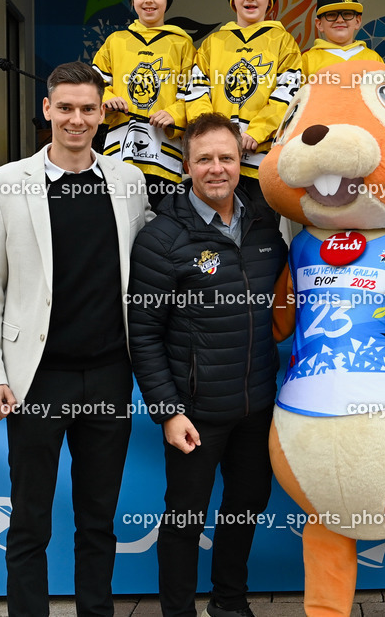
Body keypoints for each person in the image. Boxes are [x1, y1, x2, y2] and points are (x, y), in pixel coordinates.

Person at [0, 61, 151, 617]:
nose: (77, 119)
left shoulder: (128, 182)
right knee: (30, 519)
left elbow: (141, 275)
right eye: (65, 107)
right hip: (35, 379)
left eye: (88, 109)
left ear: (103, 113)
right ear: (46, 109)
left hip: (109, 375)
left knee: (99, 518)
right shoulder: (4, 183)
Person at [128, 113, 287, 617]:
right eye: (204, 159)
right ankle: (178, 611)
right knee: (184, 519)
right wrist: (169, 411)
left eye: (226, 158)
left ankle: (230, 603)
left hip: (257, 405)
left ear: (241, 162)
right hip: (194, 412)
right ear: (186, 165)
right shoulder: (162, 239)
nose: (216, 169)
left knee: (246, 508)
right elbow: (144, 333)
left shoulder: (265, 224)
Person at [185, 0, 301, 217]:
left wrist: (257, 132)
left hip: (259, 159)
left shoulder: (283, 41)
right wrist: (210, 135)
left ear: (270, 0)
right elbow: (196, 91)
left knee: (260, 232)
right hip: (217, 163)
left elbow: (288, 93)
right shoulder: (213, 42)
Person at [92, 0, 195, 210]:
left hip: (165, 152)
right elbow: (93, 85)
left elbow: (193, 92)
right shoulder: (115, 41)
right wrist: (107, 96)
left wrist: (174, 113)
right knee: (121, 219)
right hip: (120, 149)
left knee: (163, 222)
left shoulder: (182, 43)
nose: (149, 0)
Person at [301, 0, 383, 80]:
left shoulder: (373, 58)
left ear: (357, 21)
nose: (340, 20)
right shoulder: (307, 60)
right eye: (331, 15)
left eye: (347, 14)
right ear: (319, 24)